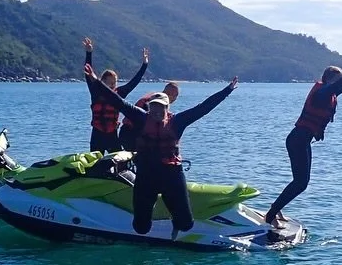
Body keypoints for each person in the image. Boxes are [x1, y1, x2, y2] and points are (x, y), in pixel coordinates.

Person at [85, 63, 237, 235]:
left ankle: (175, 218)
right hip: (146, 175)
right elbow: (116, 101)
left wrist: (228, 90)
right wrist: (95, 80)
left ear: (167, 108)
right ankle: (151, 215)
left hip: (171, 175)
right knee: (141, 228)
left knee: (186, 224)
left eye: (161, 107)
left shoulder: (177, 122)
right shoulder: (140, 118)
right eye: (154, 106)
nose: (157, 110)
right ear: (149, 107)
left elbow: (203, 107)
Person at [263, 48, 342, 229]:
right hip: (297, 140)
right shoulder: (321, 93)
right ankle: (270, 215)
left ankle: (275, 209)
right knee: (301, 182)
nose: (341, 83)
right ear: (330, 79)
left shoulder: (329, 93)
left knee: (300, 182)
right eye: (338, 79)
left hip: (301, 140)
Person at [83, 37, 149, 152]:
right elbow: (88, 73)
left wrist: (144, 65)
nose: (113, 85)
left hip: (112, 134)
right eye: (110, 82)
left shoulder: (120, 94)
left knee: (119, 162)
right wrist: (89, 53)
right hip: (97, 135)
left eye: (115, 82)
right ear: (102, 82)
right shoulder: (95, 91)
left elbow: (134, 81)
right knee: (94, 164)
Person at [120, 80, 180, 150]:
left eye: (176, 96)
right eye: (172, 95)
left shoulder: (156, 98)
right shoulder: (152, 104)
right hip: (130, 133)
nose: (174, 98)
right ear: (165, 92)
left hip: (129, 131)